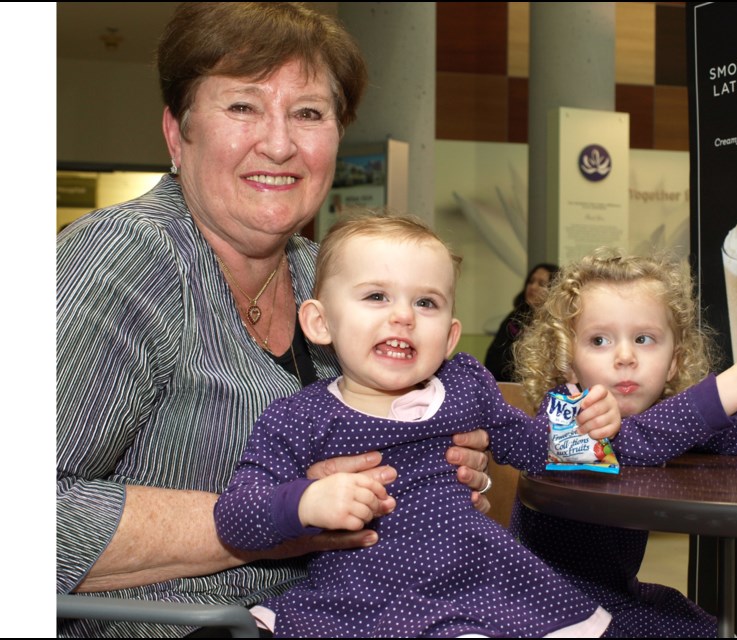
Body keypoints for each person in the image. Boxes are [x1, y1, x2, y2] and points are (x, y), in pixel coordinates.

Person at [56, 5, 491, 637]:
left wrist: (449, 461)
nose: (281, 143)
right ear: (177, 134)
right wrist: (286, 517)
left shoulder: (335, 279)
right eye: (242, 107)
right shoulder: (124, 259)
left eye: (309, 113)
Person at [213, 213, 623, 637]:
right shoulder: (299, 418)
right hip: (360, 601)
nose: (403, 317)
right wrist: (304, 502)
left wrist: (592, 427)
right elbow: (235, 516)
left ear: (449, 337)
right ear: (320, 322)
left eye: (426, 303)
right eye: (376, 296)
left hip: (478, 586)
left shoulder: (465, 386)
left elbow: (537, 448)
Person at [512, 249, 737, 637]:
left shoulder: (668, 418)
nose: (625, 356)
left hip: (613, 598)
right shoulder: (562, 416)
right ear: (568, 362)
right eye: (599, 340)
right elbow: (635, 442)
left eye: (644, 339)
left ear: (674, 361)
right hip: (543, 609)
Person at [483, 262, 559, 381]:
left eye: (541, 283)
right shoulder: (514, 318)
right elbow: (493, 358)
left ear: (554, 290)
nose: (533, 287)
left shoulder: (558, 323)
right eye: (531, 281)